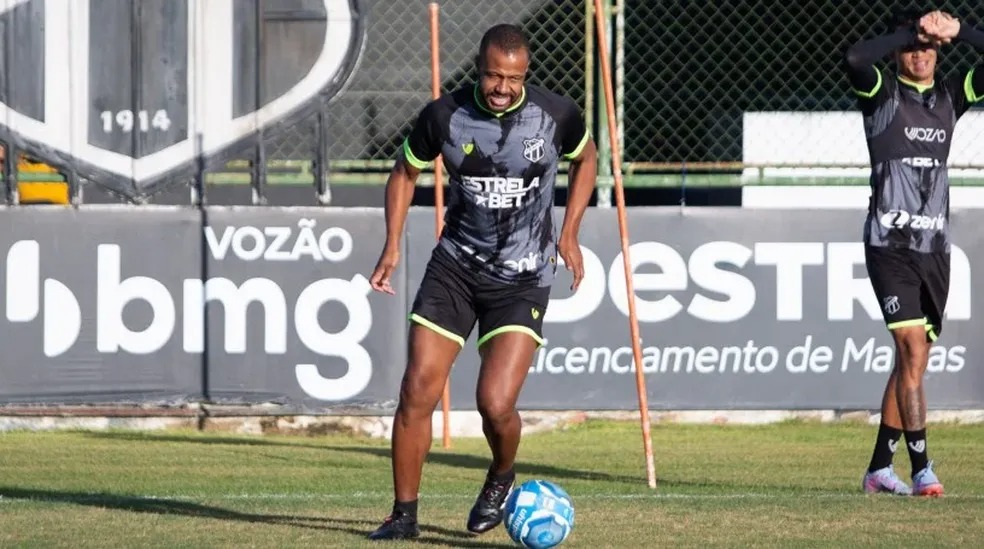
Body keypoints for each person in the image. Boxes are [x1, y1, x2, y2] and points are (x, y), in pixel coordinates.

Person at [366, 23, 597, 539]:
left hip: (523, 278)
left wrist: (572, 232)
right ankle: (403, 517)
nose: (502, 87)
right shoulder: (445, 116)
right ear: (479, 69)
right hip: (455, 270)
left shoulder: (555, 115)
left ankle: (500, 476)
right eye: (494, 75)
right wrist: (392, 244)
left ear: (525, 74)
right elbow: (405, 173)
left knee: (495, 404)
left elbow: (587, 159)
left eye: (513, 78)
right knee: (416, 389)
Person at [844, 9, 984, 497]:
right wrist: (909, 31)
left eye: (927, 47)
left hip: (934, 250)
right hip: (889, 245)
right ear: (900, 52)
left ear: (938, 53)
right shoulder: (882, 95)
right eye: (911, 47)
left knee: (913, 362)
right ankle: (923, 465)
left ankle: (880, 467)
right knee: (910, 348)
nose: (920, 54)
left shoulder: (949, 98)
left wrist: (961, 32)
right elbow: (855, 55)